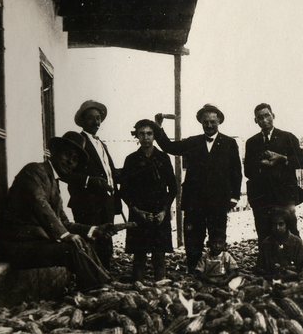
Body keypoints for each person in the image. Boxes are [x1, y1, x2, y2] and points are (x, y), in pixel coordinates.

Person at [0, 131, 121, 291]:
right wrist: (65, 234)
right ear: (54, 152)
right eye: (67, 155)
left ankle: (103, 284)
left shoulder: (54, 184)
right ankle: (98, 290)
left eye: (75, 160)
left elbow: (64, 221)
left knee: (84, 242)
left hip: (35, 244)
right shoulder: (34, 171)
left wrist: (93, 230)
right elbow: (39, 203)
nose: (70, 162)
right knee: (73, 248)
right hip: (18, 246)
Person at [154, 104, 243, 273]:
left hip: (219, 200)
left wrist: (234, 197)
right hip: (195, 200)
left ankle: (218, 269)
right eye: (205, 122)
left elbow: (236, 172)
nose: (209, 125)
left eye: (212, 122)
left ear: (219, 122)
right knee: (193, 236)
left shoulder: (229, 143)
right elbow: (169, 147)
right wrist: (158, 128)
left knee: (217, 235)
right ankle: (194, 269)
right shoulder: (193, 142)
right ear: (200, 122)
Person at [60, 100, 122, 268]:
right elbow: (64, 172)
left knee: (106, 241)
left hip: (106, 203)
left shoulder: (101, 144)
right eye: (91, 118)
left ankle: (105, 278)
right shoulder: (77, 141)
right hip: (87, 203)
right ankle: (90, 281)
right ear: (82, 121)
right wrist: (89, 181)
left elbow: (107, 172)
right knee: (90, 241)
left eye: (98, 118)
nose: (96, 122)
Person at [118, 119, 177, 282]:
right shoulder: (131, 160)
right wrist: (136, 211)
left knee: (159, 254)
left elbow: (173, 188)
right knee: (139, 254)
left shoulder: (164, 158)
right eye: (142, 134)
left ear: (154, 136)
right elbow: (124, 190)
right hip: (139, 212)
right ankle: (138, 287)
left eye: (149, 133)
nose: (145, 137)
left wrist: (164, 211)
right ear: (136, 136)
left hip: (160, 212)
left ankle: (161, 285)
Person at [244, 103, 303, 241]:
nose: (264, 120)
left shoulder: (288, 137)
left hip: (285, 192)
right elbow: (248, 171)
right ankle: (266, 260)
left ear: (273, 116)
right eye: (260, 117)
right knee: (263, 229)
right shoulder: (251, 142)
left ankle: (296, 258)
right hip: (262, 194)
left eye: (267, 115)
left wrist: (282, 158)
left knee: (290, 226)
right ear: (256, 121)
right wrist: (261, 164)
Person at [254, 208, 303, 282]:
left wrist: (298, 275)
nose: (277, 228)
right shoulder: (266, 243)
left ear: (286, 225)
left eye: (281, 224)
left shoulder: (295, 241)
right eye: (274, 224)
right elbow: (258, 268)